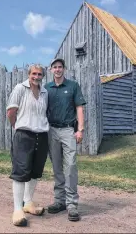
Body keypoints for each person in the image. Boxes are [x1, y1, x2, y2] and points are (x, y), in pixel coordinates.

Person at [6, 64, 49, 227]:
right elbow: (11, 112)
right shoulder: (20, 88)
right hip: (24, 135)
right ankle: (18, 210)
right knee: (21, 171)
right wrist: (17, 127)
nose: (36, 76)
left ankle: (28, 203)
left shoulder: (45, 92)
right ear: (29, 74)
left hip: (42, 135)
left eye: (39, 74)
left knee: (35, 171)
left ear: (43, 76)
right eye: (34, 74)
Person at [44, 58, 86, 222]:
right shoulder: (46, 88)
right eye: (55, 67)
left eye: (60, 67)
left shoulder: (73, 86)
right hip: (52, 131)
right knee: (57, 167)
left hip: (69, 130)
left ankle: (72, 205)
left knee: (70, 167)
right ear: (51, 70)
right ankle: (59, 201)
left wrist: (80, 129)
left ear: (64, 69)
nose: (58, 69)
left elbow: (79, 107)